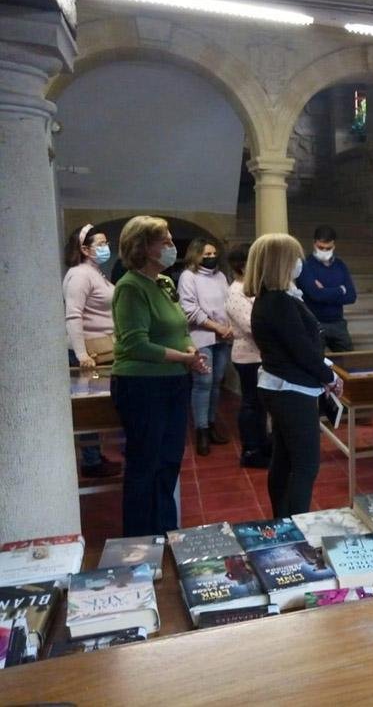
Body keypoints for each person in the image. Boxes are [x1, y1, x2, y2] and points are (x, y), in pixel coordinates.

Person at [111, 216, 209, 536]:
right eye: (164, 241)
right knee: (145, 464)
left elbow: (179, 328)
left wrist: (192, 354)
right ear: (143, 247)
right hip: (142, 384)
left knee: (169, 461)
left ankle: (166, 530)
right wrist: (184, 357)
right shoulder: (130, 287)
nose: (171, 246)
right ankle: (139, 539)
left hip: (174, 382)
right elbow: (135, 344)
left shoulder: (163, 283)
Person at [246, 233, 343, 517]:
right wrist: (329, 376)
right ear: (281, 262)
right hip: (290, 389)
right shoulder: (278, 301)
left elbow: (297, 344)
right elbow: (301, 349)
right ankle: (297, 524)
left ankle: (283, 520)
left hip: (282, 385)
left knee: (285, 458)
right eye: (295, 257)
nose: (300, 262)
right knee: (305, 464)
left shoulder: (275, 297)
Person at [63, 223, 122, 478]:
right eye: (101, 243)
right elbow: (73, 316)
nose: (106, 247)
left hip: (106, 347)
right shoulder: (79, 275)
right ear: (85, 249)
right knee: (91, 409)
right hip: (91, 351)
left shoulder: (96, 272)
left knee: (98, 407)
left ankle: (95, 456)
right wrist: (81, 354)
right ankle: (90, 461)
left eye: (106, 243)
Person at [178, 237, 233, 456]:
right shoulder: (188, 276)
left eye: (213, 254)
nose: (211, 258)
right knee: (203, 382)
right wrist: (217, 327)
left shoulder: (220, 276)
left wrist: (227, 328)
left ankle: (211, 425)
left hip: (223, 337)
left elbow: (228, 303)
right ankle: (200, 430)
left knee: (217, 382)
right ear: (195, 255)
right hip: (201, 336)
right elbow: (190, 309)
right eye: (206, 254)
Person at [225, 243, 269, 469]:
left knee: (260, 404)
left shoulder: (253, 286)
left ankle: (262, 443)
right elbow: (251, 325)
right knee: (251, 404)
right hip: (248, 356)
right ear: (243, 265)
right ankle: (251, 450)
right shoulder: (236, 291)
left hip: (260, 354)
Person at [296, 225, 357, 353]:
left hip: (338, 323)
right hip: (314, 323)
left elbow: (351, 296)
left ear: (334, 245)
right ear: (314, 244)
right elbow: (315, 294)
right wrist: (340, 290)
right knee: (315, 362)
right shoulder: (305, 265)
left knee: (349, 361)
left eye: (328, 248)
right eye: (321, 247)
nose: (324, 251)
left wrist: (325, 292)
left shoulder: (340, 265)